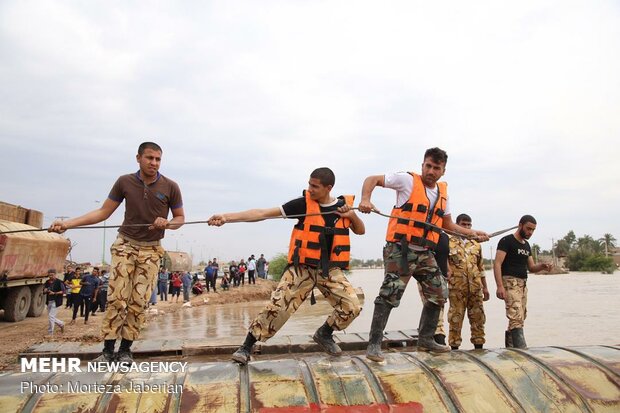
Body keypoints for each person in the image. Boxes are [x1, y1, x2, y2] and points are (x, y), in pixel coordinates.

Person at [208, 167, 365, 365]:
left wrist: (352, 216)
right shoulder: (302, 205)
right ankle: (246, 347)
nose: (310, 189)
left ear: (328, 188)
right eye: (309, 184)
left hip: (330, 270)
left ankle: (325, 334)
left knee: (352, 306)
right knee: (277, 307)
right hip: (301, 269)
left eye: (314, 186)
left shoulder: (343, 207)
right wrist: (226, 217)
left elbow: (360, 230)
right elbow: (262, 213)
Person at [49, 141, 185, 364]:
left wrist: (167, 223)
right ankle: (108, 349)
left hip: (151, 250)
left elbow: (180, 218)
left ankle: (125, 350)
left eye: (158, 159)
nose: (154, 163)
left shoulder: (170, 187)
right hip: (125, 245)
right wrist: (69, 224)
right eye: (149, 158)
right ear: (138, 158)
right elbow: (103, 212)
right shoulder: (125, 182)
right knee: (116, 298)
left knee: (138, 301)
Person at [358, 147, 489, 361]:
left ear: (443, 171)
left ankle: (426, 339)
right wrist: (365, 199)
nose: (431, 171)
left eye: (436, 168)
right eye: (428, 166)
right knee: (389, 295)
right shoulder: (407, 181)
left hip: (425, 252)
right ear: (422, 166)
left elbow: (448, 225)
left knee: (439, 293)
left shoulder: (443, 194)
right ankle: (374, 344)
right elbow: (372, 179)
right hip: (401, 249)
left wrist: (472, 234)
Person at [493, 215, 550, 348]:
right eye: (528, 228)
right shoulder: (507, 241)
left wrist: (542, 266)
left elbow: (531, 267)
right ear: (520, 225)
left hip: (523, 284)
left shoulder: (527, 245)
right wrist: (499, 286)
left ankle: (510, 348)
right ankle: (522, 350)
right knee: (516, 317)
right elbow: (497, 264)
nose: (530, 232)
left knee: (521, 316)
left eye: (533, 230)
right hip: (509, 282)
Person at [447, 213, 489, 350]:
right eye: (463, 224)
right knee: (455, 318)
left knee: (478, 318)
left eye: (469, 225)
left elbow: (481, 267)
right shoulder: (449, 242)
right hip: (457, 289)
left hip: (476, 288)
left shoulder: (476, 244)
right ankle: (454, 348)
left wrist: (485, 288)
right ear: (456, 225)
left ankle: (479, 348)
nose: (466, 227)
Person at [43, 268, 65, 335]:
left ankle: (50, 333)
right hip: (49, 301)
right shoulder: (47, 282)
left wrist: (55, 293)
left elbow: (63, 291)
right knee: (51, 317)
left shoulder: (59, 282)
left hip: (56, 301)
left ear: (55, 275)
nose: (50, 276)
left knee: (51, 317)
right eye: (49, 275)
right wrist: (45, 290)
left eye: (52, 275)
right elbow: (44, 290)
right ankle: (61, 324)